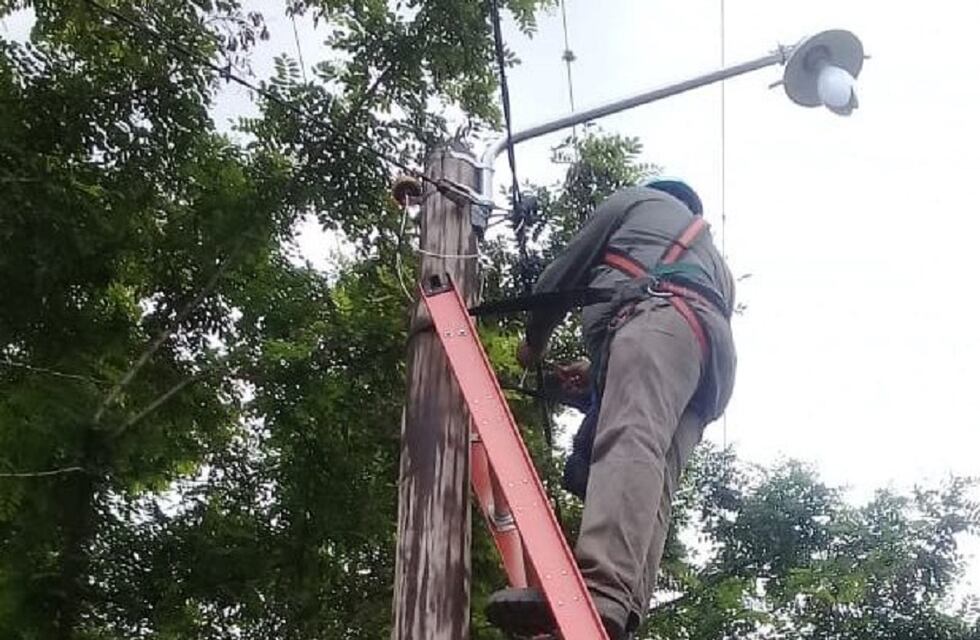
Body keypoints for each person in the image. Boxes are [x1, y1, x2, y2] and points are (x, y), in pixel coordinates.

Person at [487, 177, 737, 639]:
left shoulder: (637, 200)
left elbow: (564, 275)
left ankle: (601, 589)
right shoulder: (715, 263)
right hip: (709, 367)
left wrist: (533, 344)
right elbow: (672, 347)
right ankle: (622, 608)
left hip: (662, 315)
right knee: (656, 475)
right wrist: (597, 371)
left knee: (629, 437)